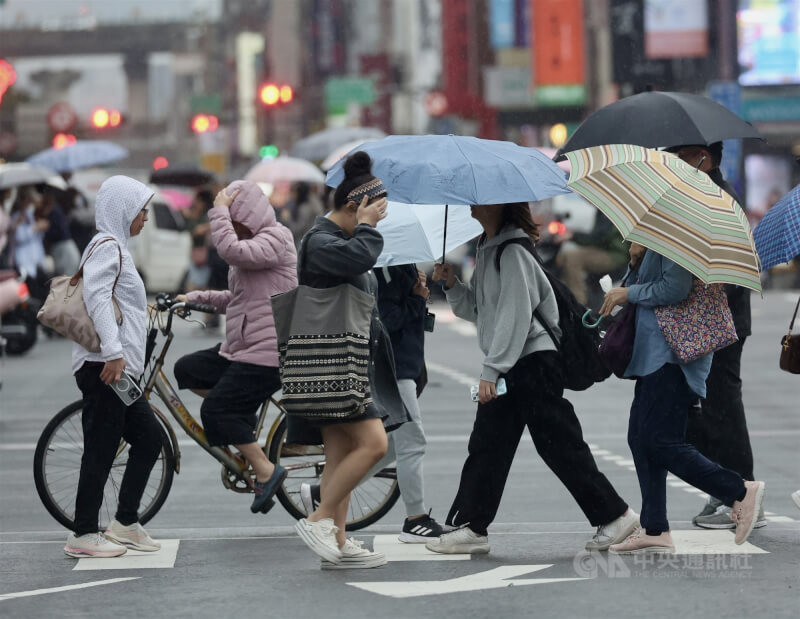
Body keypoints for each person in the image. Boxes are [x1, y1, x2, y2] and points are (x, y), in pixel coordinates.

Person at [426, 202, 638, 555]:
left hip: (534, 362)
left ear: (497, 207)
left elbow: (515, 316)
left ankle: (616, 515)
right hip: (517, 361)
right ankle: (472, 526)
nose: (472, 206)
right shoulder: (488, 247)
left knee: (556, 444)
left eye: (479, 201)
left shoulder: (512, 253)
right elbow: (481, 310)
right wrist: (452, 286)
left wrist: (492, 370)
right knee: (491, 444)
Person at [600, 243, 766, 554]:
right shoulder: (655, 236)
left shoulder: (673, 238)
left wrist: (628, 293)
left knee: (660, 441)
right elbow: (652, 282)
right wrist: (636, 261)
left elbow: (674, 288)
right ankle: (655, 527)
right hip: (653, 352)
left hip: (672, 353)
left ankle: (739, 490)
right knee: (639, 437)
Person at [290, 151, 407, 569]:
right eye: (376, 207)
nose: (381, 216)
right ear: (356, 205)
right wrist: (368, 227)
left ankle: (337, 543)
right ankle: (320, 518)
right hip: (335, 366)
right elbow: (361, 257)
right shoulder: (322, 242)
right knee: (375, 444)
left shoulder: (338, 240)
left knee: (339, 454)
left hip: (347, 364)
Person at [173, 181, 297, 513]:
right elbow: (238, 299)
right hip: (242, 348)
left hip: (267, 353)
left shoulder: (275, 239)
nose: (232, 226)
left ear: (248, 215)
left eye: (234, 218)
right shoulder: (250, 244)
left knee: (215, 410)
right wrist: (195, 299)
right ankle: (240, 420)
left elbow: (229, 251)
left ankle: (266, 470)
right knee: (186, 369)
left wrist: (218, 210)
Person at [65, 175, 163, 558]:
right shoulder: (108, 246)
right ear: (124, 211)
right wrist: (113, 351)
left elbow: (122, 303)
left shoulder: (114, 246)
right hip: (106, 368)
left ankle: (124, 522)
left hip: (117, 369)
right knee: (102, 449)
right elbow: (98, 297)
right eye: (143, 210)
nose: (146, 218)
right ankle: (84, 533)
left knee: (149, 439)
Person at [666, 143, 763, 530]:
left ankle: (740, 495)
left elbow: (736, 269)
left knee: (723, 407)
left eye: (685, 155)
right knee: (698, 408)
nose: (678, 162)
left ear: (708, 158)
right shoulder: (700, 196)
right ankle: (728, 486)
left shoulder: (721, 201)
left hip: (722, 321)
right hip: (707, 319)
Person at [375, 264, 443, 542]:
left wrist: (420, 291)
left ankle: (324, 492)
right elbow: (386, 320)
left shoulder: (402, 266)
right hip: (395, 369)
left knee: (390, 446)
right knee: (413, 442)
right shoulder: (384, 270)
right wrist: (416, 297)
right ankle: (415, 520)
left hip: (405, 367)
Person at [555, 210, 627, 305]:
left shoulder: (612, 212)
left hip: (615, 255)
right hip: (604, 249)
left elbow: (599, 237)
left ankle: (579, 304)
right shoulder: (603, 210)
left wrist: (573, 235)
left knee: (572, 258)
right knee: (563, 257)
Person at [36, 186, 81, 277]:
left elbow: (53, 232)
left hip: (64, 249)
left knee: (66, 277)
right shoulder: (51, 210)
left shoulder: (54, 211)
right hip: (61, 249)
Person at [281, 181, 326, 247]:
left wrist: (287, 218)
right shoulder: (313, 201)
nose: (292, 195)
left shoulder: (305, 208)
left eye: (294, 192)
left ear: (300, 193)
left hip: (304, 243)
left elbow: (297, 229)